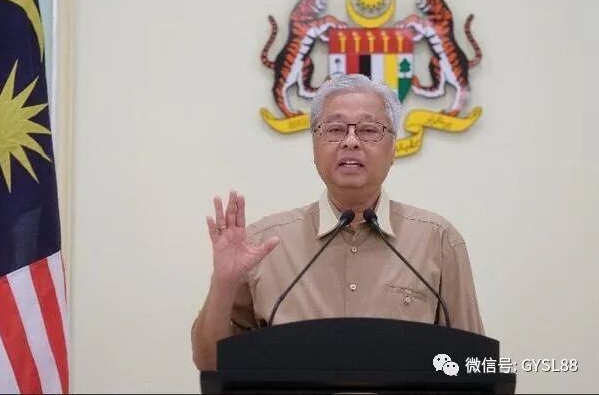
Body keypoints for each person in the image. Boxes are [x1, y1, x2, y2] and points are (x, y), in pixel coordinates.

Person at [191, 74, 484, 371]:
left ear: (393, 149)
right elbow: (210, 363)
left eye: (369, 130)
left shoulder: (437, 241)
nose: (351, 141)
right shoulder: (263, 245)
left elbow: (472, 364)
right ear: (314, 147)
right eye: (335, 129)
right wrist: (223, 283)